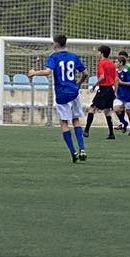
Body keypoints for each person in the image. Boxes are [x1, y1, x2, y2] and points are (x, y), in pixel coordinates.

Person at [27, 34, 87, 162]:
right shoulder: (73, 57)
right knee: (76, 119)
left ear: (55, 44)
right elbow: (85, 73)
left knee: (64, 123)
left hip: (62, 93)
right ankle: (82, 149)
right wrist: (78, 84)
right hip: (74, 92)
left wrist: (34, 73)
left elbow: (48, 72)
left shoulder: (54, 57)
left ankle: (73, 153)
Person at [87, 45, 119, 139]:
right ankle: (111, 134)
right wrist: (115, 92)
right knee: (107, 111)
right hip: (111, 90)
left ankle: (86, 131)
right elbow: (116, 79)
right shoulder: (112, 64)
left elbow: (102, 77)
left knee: (92, 108)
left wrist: (94, 85)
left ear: (101, 53)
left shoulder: (102, 63)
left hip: (103, 89)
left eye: (99, 52)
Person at [113, 51, 130, 136]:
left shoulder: (127, 71)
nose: (115, 63)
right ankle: (124, 122)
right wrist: (115, 92)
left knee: (128, 112)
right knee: (116, 108)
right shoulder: (115, 71)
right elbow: (116, 82)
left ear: (121, 63)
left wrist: (121, 82)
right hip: (119, 94)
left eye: (117, 61)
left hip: (128, 94)